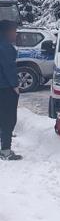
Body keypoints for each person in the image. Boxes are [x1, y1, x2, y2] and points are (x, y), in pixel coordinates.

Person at [0, 20, 21, 160]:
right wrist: (15, 85)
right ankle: (6, 150)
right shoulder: (5, 47)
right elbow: (9, 68)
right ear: (6, 32)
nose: (15, 34)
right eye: (14, 31)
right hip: (5, 88)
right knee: (8, 119)